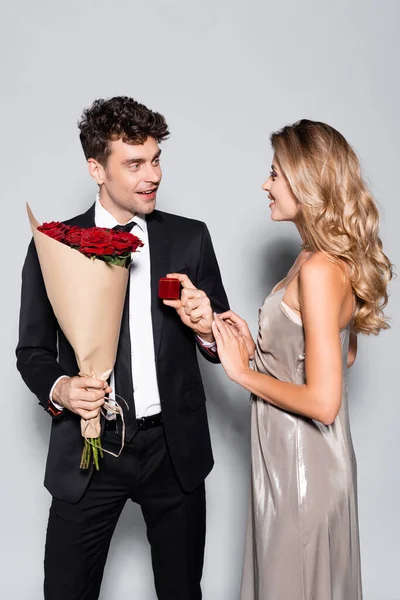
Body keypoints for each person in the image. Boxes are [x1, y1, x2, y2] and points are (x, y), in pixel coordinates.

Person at [16, 96, 229, 600]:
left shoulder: (189, 238)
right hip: (89, 454)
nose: (151, 175)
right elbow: (32, 351)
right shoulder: (54, 244)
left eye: (156, 159)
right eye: (134, 163)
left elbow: (222, 343)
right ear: (96, 168)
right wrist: (62, 388)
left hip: (173, 450)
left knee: (182, 592)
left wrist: (207, 330)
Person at [211, 119, 393, 600]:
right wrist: (258, 347)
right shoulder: (319, 258)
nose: (265, 184)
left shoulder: (317, 269)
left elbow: (324, 401)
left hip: (301, 472)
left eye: (275, 173)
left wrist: (242, 373)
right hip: (296, 463)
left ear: (305, 180)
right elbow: (338, 355)